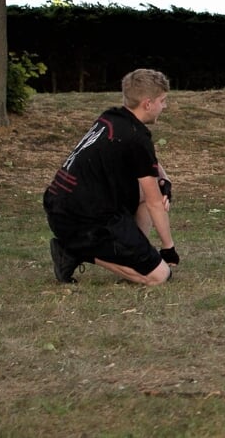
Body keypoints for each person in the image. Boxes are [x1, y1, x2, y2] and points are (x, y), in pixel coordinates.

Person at [42, 69, 179, 286]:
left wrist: (165, 180)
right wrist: (168, 248)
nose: (165, 106)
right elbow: (155, 203)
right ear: (147, 103)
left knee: (144, 192)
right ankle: (73, 252)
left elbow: (147, 163)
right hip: (80, 219)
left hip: (62, 205)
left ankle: (135, 255)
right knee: (160, 276)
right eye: (162, 101)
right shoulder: (135, 137)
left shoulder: (112, 118)